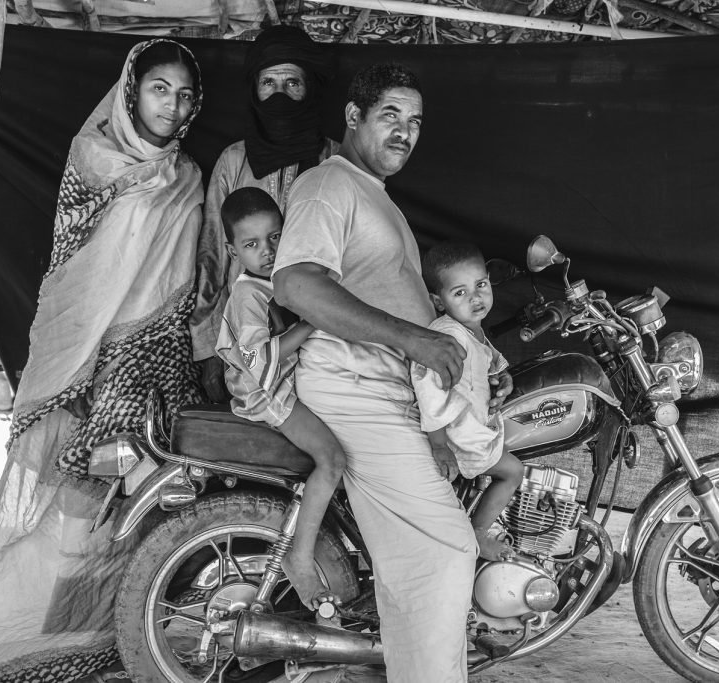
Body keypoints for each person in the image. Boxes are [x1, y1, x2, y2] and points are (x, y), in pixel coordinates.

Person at [0, 40, 205, 682]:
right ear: (130, 91)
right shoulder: (93, 159)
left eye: (182, 95)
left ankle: (106, 638)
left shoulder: (189, 176)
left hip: (158, 361)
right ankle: (38, 643)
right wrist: (86, 368)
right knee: (76, 504)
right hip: (91, 364)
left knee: (135, 510)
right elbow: (78, 272)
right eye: (159, 88)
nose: (171, 104)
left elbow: (190, 272)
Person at [272, 63, 512, 683]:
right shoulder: (329, 185)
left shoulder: (375, 197)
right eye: (391, 117)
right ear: (353, 118)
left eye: (415, 122)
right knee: (446, 550)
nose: (405, 132)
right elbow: (297, 283)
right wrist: (414, 340)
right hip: (353, 392)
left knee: (417, 563)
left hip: (386, 394)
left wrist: (473, 370)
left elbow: (399, 305)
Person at [215, 186, 345, 610]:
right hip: (267, 394)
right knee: (332, 458)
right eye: (251, 244)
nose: (267, 251)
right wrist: (313, 318)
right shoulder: (247, 294)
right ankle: (300, 555)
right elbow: (259, 360)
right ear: (234, 252)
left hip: (283, 384)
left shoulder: (275, 280)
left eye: (275, 237)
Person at [192, 24, 337, 402]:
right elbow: (212, 254)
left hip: (322, 337)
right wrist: (208, 349)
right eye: (268, 83)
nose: (279, 94)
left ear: (310, 89)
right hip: (247, 341)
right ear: (254, 90)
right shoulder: (234, 160)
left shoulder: (334, 160)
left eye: (293, 83)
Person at [412, 242, 524, 561]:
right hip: (458, 436)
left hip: (471, 426)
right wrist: (439, 445)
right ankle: (476, 535)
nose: (475, 298)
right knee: (513, 471)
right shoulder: (447, 336)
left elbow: (487, 356)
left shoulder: (468, 328)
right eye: (460, 293)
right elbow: (429, 389)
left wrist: (502, 376)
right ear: (439, 300)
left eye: (481, 285)